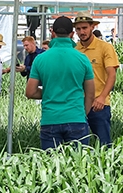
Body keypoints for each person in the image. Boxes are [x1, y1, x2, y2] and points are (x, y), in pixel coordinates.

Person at [26, 16, 94, 150]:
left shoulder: (40, 59)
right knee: (78, 166)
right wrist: (82, 113)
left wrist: (49, 92)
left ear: (52, 33)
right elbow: (90, 94)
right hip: (76, 117)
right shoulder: (83, 59)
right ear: (72, 34)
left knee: (50, 165)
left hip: (50, 119)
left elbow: (30, 92)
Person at [74, 15, 119, 146]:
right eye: (78, 29)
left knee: (104, 142)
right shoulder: (75, 50)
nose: (82, 32)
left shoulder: (105, 47)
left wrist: (102, 97)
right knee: (79, 144)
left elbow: (112, 75)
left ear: (92, 27)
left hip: (99, 104)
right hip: (79, 103)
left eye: (84, 28)